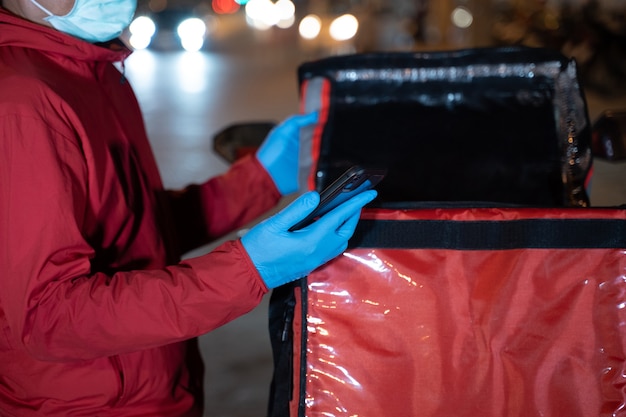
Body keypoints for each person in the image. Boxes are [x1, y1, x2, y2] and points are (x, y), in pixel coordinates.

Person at [0, 1, 377, 416]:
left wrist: (261, 179)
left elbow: (134, 226)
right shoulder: (21, 104)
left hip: (155, 383)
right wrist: (247, 269)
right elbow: (48, 318)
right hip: (86, 404)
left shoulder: (94, 70)